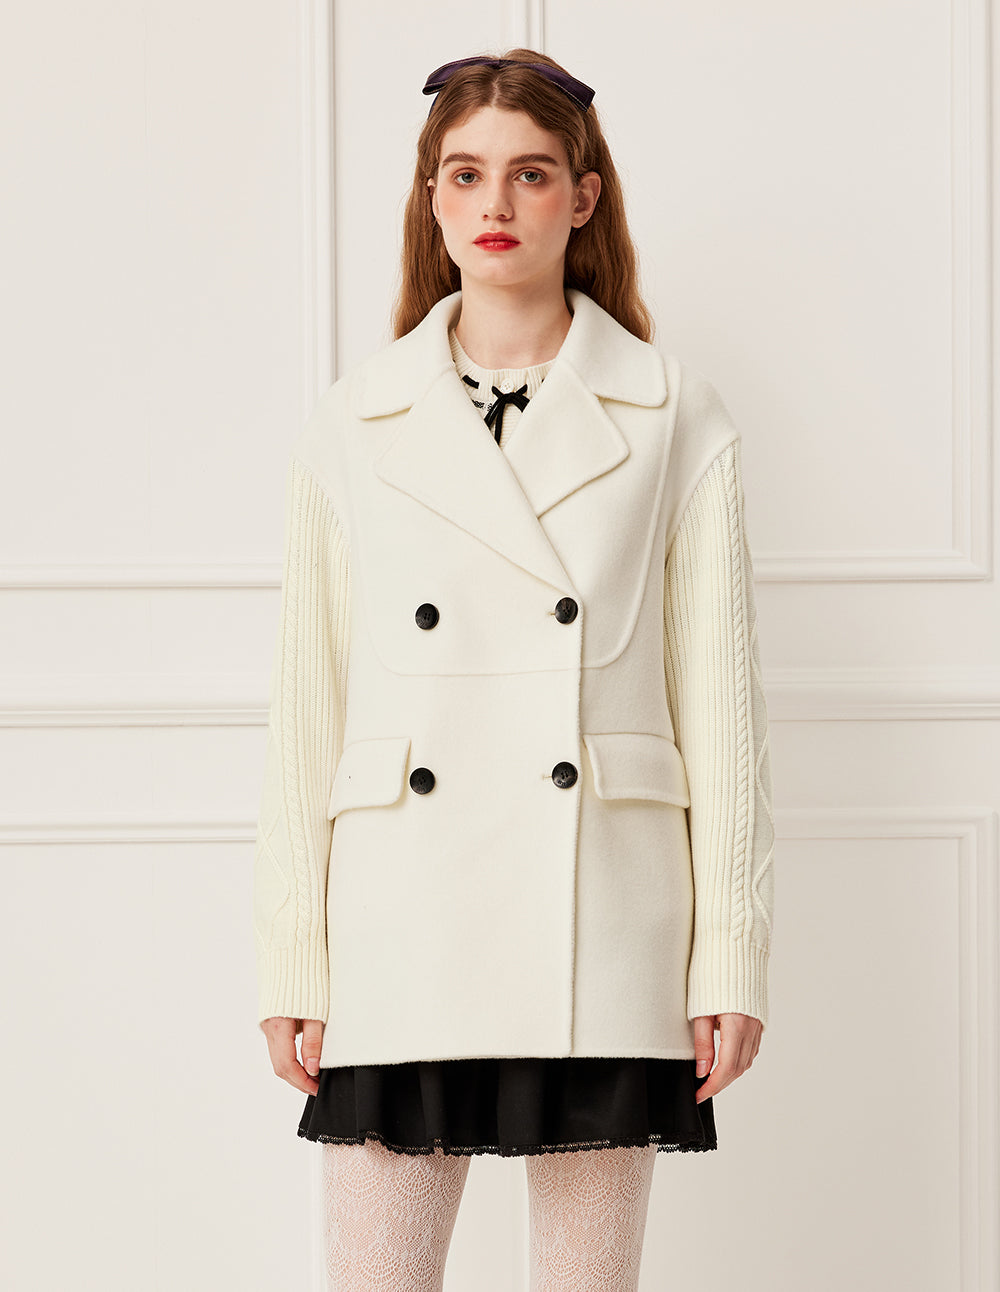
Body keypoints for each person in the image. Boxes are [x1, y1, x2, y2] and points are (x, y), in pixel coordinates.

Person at [253, 48, 775, 1292]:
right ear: (430, 197)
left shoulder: (674, 412)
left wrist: (731, 954)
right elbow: (305, 714)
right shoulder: (353, 421)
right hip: (400, 914)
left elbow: (724, 711)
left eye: (530, 174)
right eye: (466, 174)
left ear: (582, 197)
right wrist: (292, 957)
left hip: (604, 911)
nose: (495, 204)